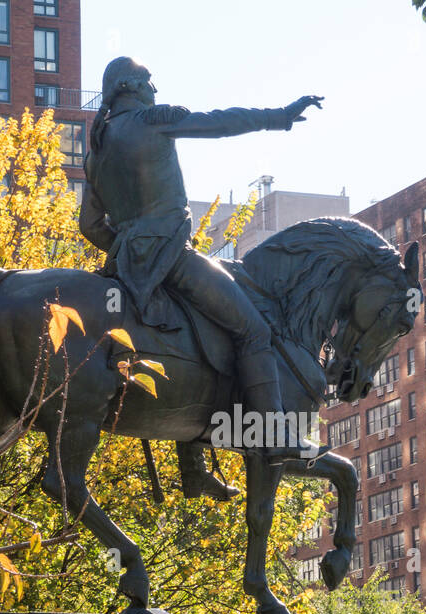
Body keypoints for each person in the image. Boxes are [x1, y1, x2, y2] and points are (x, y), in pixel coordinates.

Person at [79, 55, 325, 470]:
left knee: (195, 342)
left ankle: (194, 472)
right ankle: (276, 431)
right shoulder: (153, 119)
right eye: (149, 81)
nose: (155, 89)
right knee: (254, 330)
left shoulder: (96, 152)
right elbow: (219, 122)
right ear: (130, 87)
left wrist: (128, 245)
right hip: (172, 258)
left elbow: (89, 225)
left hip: (127, 268)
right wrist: (280, 116)